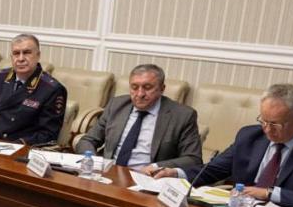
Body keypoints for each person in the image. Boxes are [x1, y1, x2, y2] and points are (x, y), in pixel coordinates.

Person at [155, 83, 293, 207]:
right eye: (263, 120)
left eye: (276, 124)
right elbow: (213, 170)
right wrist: (176, 173)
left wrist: (269, 193)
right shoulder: (249, 136)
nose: (267, 130)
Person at [74, 64, 202, 171]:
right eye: (134, 87)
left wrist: (156, 167)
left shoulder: (182, 115)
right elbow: (88, 140)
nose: (140, 94)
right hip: (109, 173)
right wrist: (94, 162)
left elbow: (193, 159)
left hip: (149, 179)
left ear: (162, 89)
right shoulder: (116, 105)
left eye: (147, 87)